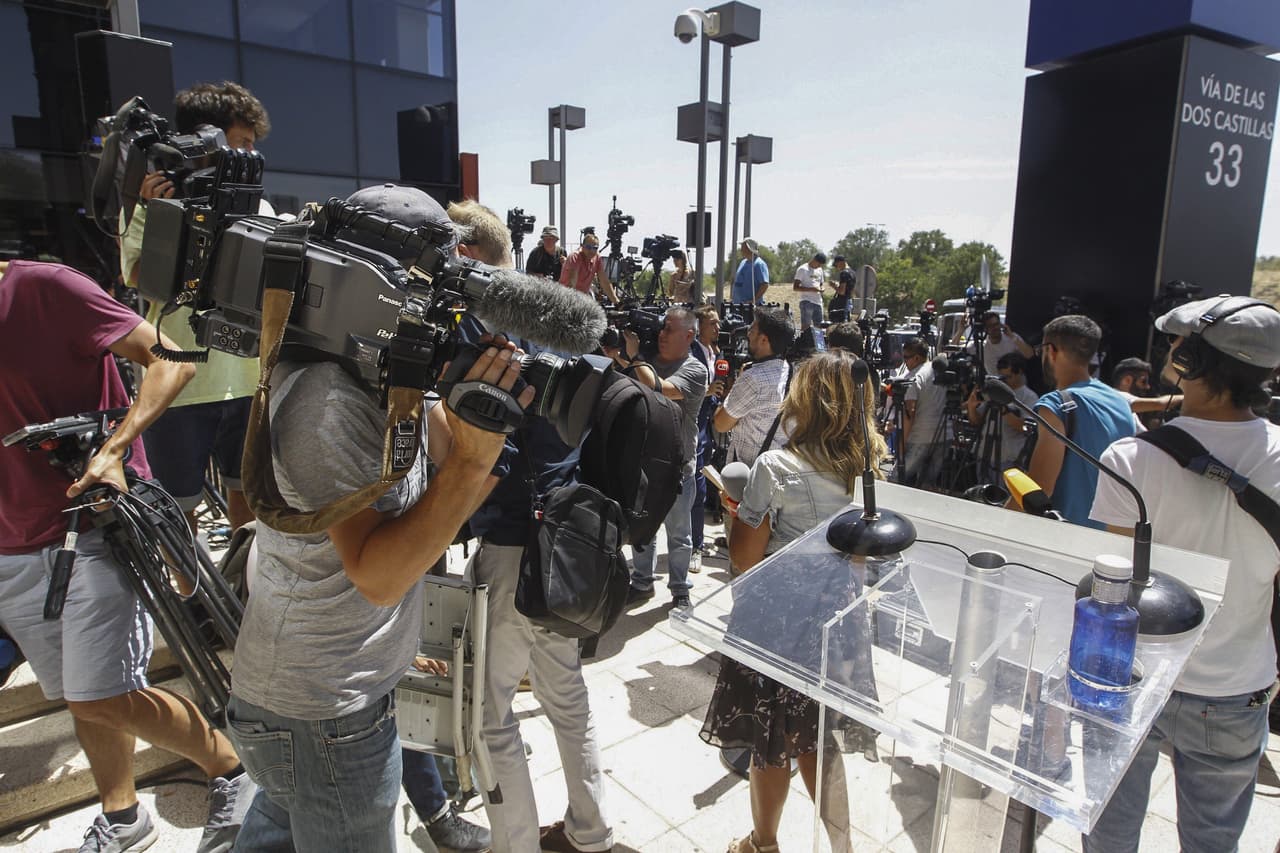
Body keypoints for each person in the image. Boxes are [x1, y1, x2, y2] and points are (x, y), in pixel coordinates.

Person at [225, 185, 529, 852]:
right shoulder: (328, 401)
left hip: (331, 699)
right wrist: (472, 467)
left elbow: (449, 478)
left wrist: (478, 406)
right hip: (322, 711)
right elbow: (378, 575)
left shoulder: (385, 371)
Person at [0, 259, 255, 853]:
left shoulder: (44, 287)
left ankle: (231, 768)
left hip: (91, 524)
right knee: (83, 695)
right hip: (11, 543)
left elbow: (171, 358)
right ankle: (122, 815)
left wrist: (116, 448)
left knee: (100, 694)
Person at [442, 202, 614, 853]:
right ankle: (592, 832)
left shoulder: (485, 337)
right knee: (567, 696)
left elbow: (492, 458)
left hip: (515, 549)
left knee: (489, 716)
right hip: (568, 540)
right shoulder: (556, 324)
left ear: (469, 258)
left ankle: (515, 843)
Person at [1083, 296, 1280, 853]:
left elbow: (1112, 583)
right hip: (1237, 686)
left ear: (1190, 359)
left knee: (1109, 832)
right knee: (1214, 840)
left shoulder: (1130, 458)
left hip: (1136, 676)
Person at [702, 350, 885, 853]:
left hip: (776, 621)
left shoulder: (776, 466)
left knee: (771, 742)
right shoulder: (869, 470)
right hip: (838, 620)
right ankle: (842, 847)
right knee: (820, 742)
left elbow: (744, 556)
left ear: (805, 398)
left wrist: (735, 511)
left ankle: (763, 843)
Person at [119, 80, 272, 535]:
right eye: (241, 141)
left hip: (245, 380)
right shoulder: (150, 204)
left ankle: (239, 595)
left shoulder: (255, 204)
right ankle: (189, 602)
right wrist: (161, 215)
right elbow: (140, 278)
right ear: (206, 138)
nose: (248, 154)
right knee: (176, 509)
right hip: (177, 382)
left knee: (249, 505)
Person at [611, 307, 709, 609]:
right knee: (642, 529)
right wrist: (617, 352)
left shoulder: (695, 369)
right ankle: (641, 583)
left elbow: (660, 389)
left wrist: (634, 356)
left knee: (679, 535)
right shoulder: (647, 362)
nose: (662, 334)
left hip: (678, 466)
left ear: (689, 335)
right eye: (662, 328)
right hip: (644, 462)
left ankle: (680, 588)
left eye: (669, 329)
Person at [1026, 315, 1135, 527]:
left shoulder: (1055, 405)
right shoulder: (1120, 402)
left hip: (1063, 538)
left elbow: (1038, 492)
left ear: (1051, 350)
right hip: (1108, 539)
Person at [714, 307, 795, 468]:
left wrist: (735, 386)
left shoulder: (752, 379)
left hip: (751, 476)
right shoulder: (793, 372)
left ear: (764, 340)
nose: (748, 334)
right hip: (780, 471)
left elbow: (721, 424)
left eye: (752, 329)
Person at [965, 352, 1039, 473]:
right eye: (1002, 377)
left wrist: (1004, 409)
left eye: (1008, 376)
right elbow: (976, 421)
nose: (1005, 381)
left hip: (1010, 459)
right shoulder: (994, 392)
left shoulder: (1029, 397)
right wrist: (971, 407)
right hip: (985, 454)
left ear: (1019, 372)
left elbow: (1027, 428)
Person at [691, 304, 723, 570]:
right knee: (696, 488)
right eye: (712, 323)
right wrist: (706, 390)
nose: (717, 327)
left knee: (703, 484)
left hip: (709, 426)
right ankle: (695, 547)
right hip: (693, 426)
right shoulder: (690, 353)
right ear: (699, 326)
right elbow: (682, 388)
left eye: (717, 323)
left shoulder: (717, 353)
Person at [900, 338, 947, 489]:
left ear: (917, 358)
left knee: (897, 479)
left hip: (920, 437)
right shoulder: (939, 371)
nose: (904, 362)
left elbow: (909, 413)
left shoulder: (914, 378)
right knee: (928, 486)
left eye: (906, 357)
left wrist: (901, 444)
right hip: (943, 435)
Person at [962, 311, 1035, 378]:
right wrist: (961, 330)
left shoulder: (1012, 338)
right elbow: (952, 352)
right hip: (997, 386)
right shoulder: (981, 345)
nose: (995, 328)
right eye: (990, 326)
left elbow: (1030, 354)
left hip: (1016, 386)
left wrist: (1012, 337)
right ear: (985, 329)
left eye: (996, 324)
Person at [1110, 356, 1183, 417]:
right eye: (1143, 382)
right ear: (1127, 380)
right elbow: (1161, 404)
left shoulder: (1130, 411)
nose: (1148, 387)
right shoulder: (1118, 397)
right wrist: (1186, 397)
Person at [560, 232, 619, 304]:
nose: (592, 251)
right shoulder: (575, 256)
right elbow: (572, 282)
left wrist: (616, 301)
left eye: (595, 248)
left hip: (582, 298)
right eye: (588, 247)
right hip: (565, 297)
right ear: (582, 246)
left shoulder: (597, 258)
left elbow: (604, 281)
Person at [793, 252, 826, 330]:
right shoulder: (802, 269)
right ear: (814, 260)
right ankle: (804, 342)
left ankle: (817, 342)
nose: (819, 266)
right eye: (819, 263)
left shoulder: (820, 270)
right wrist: (811, 289)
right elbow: (795, 287)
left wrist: (822, 288)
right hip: (807, 301)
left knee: (819, 327)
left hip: (818, 302)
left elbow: (821, 284)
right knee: (806, 327)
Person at [731, 237, 770, 305]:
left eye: (743, 247)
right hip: (738, 304)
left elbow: (764, 285)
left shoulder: (759, 264)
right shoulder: (743, 262)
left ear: (749, 248)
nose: (741, 250)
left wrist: (753, 301)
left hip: (750, 307)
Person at [827, 256, 854, 322]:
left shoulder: (844, 273)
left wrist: (833, 286)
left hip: (842, 303)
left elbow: (842, 292)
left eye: (836, 265)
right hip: (849, 301)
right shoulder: (853, 272)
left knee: (839, 324)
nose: (837, 267)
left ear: (841, 262)